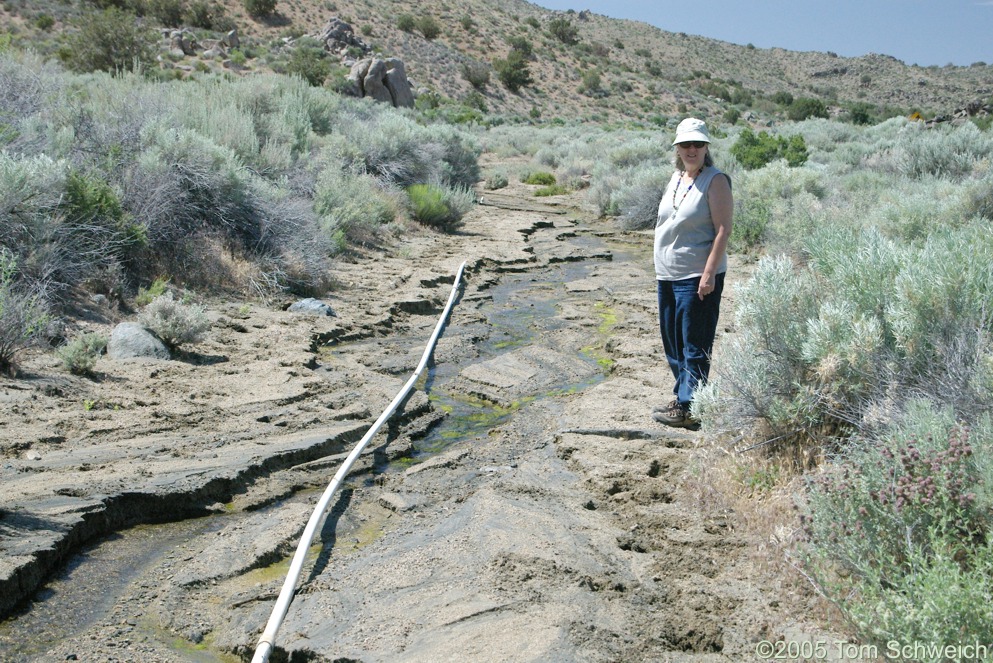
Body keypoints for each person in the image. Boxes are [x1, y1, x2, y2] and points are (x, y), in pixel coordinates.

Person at [652, 118, 733, 430]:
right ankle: (684, 397)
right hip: (668, 274)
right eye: (685, 144)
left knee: (694, 344)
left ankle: (691, 407)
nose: (691, 149)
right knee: (673, 343)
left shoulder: (715, 181)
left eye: (697, 144)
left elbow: (724, 229)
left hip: (697, 275)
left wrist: (709, 272)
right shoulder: (676, 177)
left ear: (706, 147)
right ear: (677, 147)